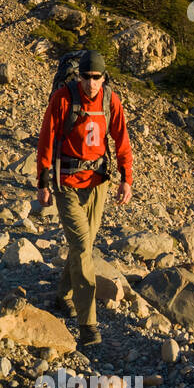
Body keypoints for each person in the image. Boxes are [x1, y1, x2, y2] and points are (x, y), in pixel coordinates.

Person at [35, 49, 133, 346]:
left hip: (98, 184)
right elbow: (46, 140)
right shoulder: (63, 99)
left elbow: (122, 139)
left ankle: (63, 294)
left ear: (104, 78)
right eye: (86, 77)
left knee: (84, 245)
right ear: (79, 75)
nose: (91, 83)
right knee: (81, 247)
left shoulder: (109, 100)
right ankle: (88, 323)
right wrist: (43, 181)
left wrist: (126, 179)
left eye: (97, 78)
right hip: (66, 184)